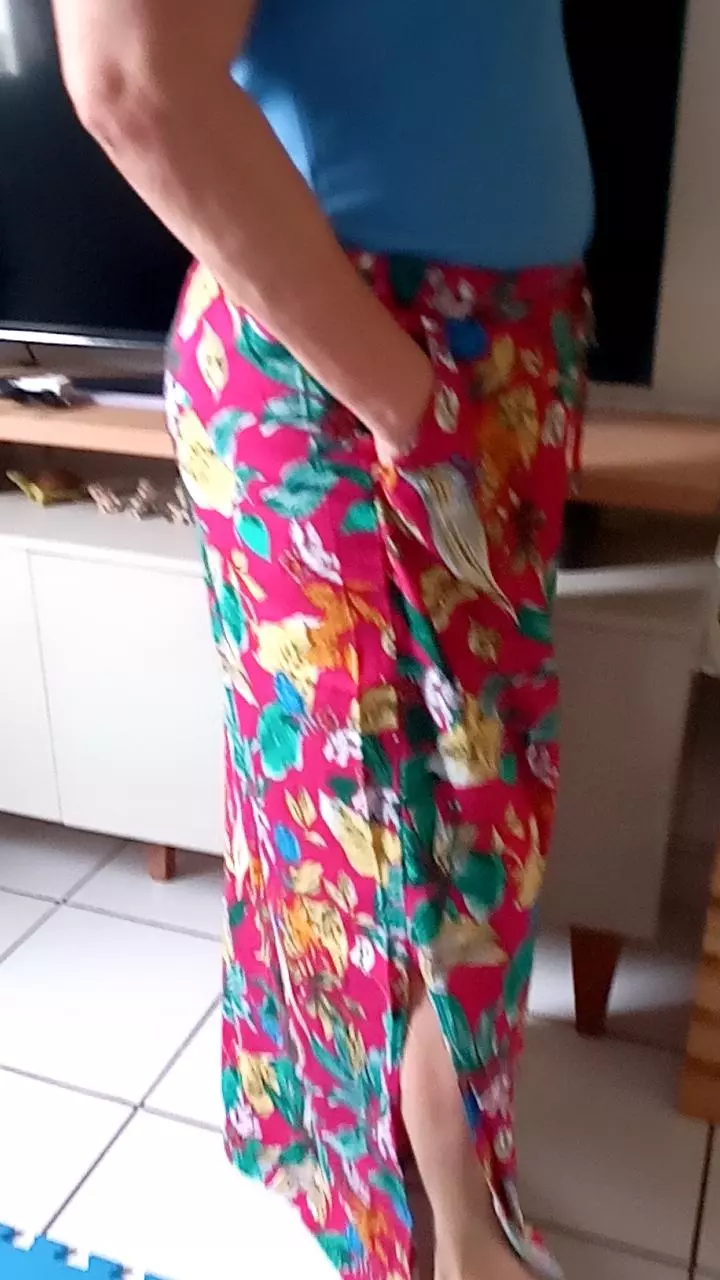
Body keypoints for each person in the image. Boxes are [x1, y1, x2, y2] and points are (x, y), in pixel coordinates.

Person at [51, 2, 594, 1277]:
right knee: (407, 816)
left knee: (454, 801)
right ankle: (427, 1224)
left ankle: (438, 1164)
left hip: (491, 355)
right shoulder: (397, 379)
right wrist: (406, 399)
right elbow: (130, 76)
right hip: (366, 357)